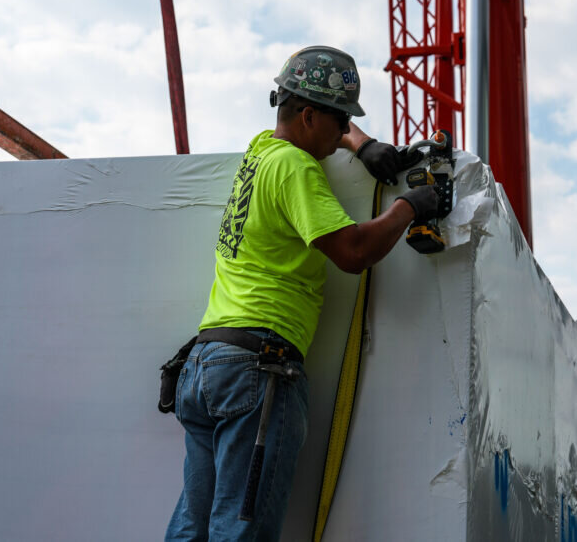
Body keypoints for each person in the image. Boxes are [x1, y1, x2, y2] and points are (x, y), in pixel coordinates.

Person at [165, 46, 441, 542]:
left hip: (207, 365)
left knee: (193, 529)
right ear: (310, 116)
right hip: (258, 370)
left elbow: (308, 117)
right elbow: (353, 252)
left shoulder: (260, 152)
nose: (343, 132)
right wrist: (409, 206)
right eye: (340, 122)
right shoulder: (296, 167)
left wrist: (362, 144)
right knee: (239, 533)